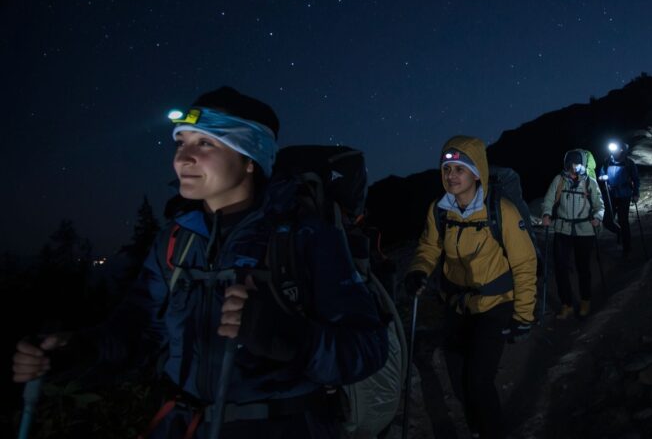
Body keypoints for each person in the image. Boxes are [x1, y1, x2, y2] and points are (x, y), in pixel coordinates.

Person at [12, 86, 389, 439]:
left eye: (205, 143)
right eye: (181, 142)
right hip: (183, 425)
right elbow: (139, 331)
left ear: (250, 159)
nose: (183, 157)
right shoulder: (176, 240)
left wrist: (288, 337)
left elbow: (367, 349)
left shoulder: (304, 236)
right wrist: (78, 351)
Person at [404, 136, 536, 439]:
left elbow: (525, 263)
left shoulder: (501, 210)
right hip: (456, 306)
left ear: (477, 173)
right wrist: (418, 270)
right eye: (446, 169)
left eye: (459, 169)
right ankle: (477, 427)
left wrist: (523, 315)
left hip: (495, 305)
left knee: (479, 380)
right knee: (458, 378)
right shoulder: (439, 210)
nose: (451, 175)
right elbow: (429, 246)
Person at [540, 150, 604, 319]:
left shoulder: (590, 182)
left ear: (583, 164)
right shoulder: (559, 180)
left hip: (585, 230)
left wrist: (597, 217)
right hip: (562, 229)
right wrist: (546, 214)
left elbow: (599, 205)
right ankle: (566, 304)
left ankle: (585, 300)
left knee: (583, 267)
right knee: (560, 268)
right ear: (566, 164)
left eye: (577, 164)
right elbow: (548, 200)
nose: (574, 167)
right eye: (571, 164)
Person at [598, 142, 640, 255]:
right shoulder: (607, 162)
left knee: (623, 220)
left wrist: (636, 193)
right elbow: (601, 174)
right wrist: (602, 178)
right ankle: (620, 233)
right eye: (612, 149)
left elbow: (636, 179)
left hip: (624, 195)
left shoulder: (629, 163)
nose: (614, 151)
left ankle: (627, 248)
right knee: (607, 221)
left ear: (622, 150)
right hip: (610, 195)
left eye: (616, 149)